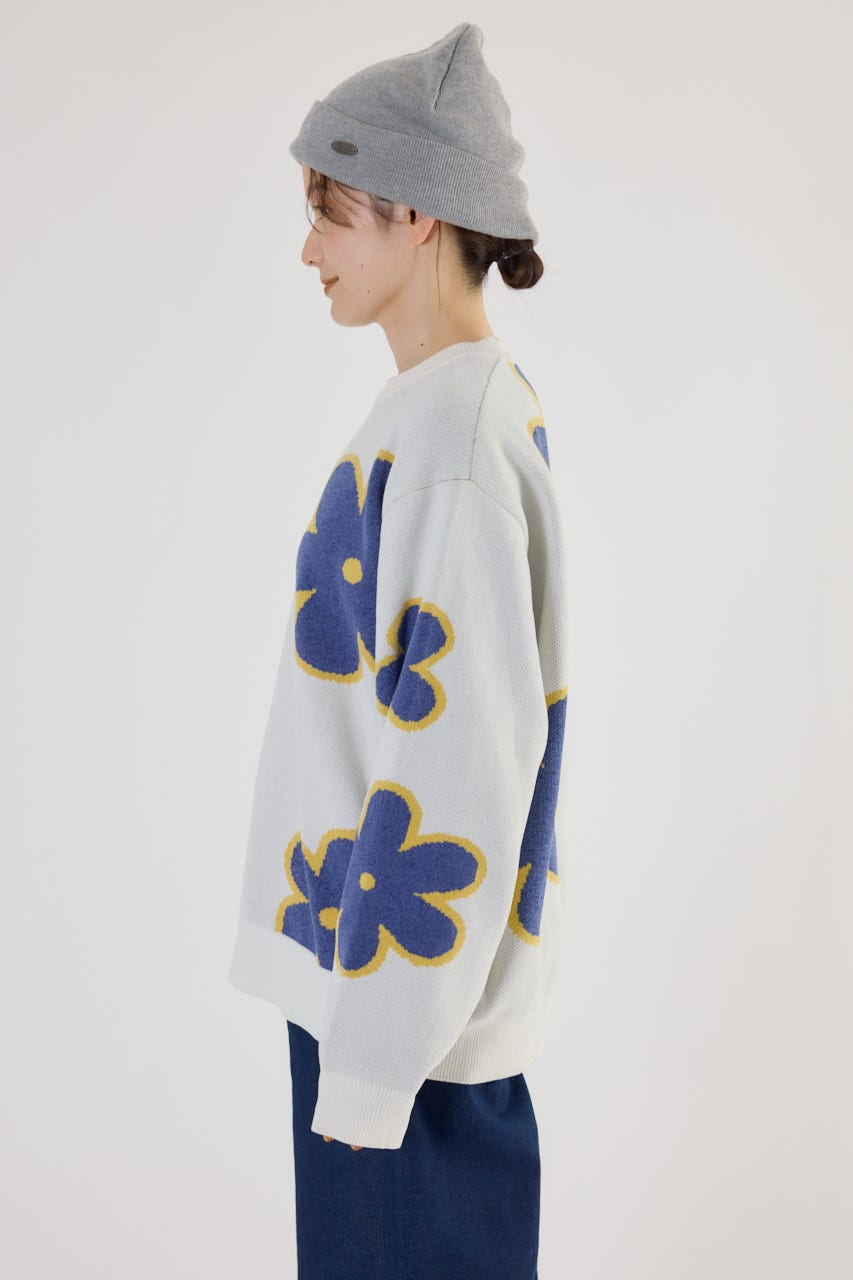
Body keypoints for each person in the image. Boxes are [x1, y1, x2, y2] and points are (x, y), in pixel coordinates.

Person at [228, 21, 568, 1279]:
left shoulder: (450, 445)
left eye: (332, 209)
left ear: (418, 211)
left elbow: (462, 770)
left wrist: (374, 1061)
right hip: (383, 1001)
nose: (308, 246)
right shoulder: (445, 413)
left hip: (403, 1033)